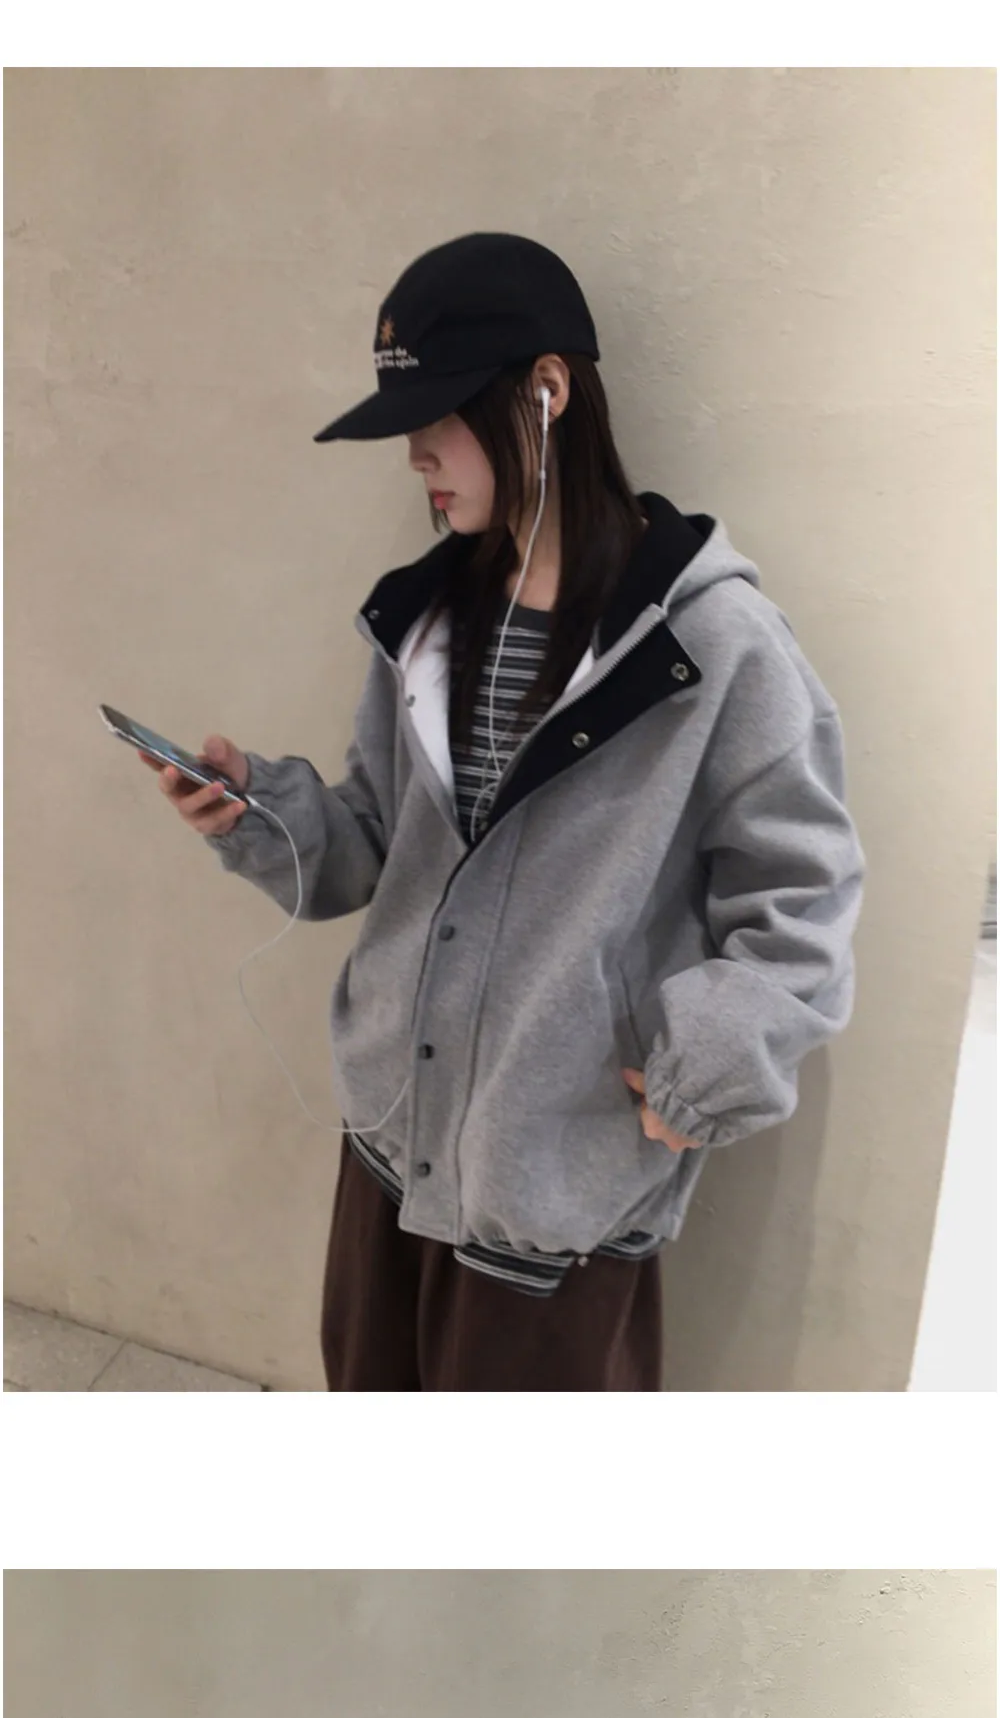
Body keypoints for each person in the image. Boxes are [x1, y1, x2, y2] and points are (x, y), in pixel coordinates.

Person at [133, 229, 865, 1396]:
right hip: (393, 1139)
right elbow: (373, 846)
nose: (415, 453)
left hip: (556, 1180)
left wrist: (704, 1072)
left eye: (439, 415)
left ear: (546, 389)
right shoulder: (424, 622)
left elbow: (805, 893)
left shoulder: (709, 644)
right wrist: (253, 814)